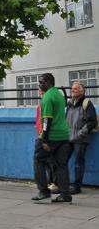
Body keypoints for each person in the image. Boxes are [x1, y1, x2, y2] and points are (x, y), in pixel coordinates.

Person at [32, 72, 72, 203]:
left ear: (48, 82)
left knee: (38, 160)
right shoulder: (59, 95)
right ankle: (65, 194)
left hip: (51, 136)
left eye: (41, 82)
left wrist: (44, 139)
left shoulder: (48, 97)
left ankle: (43, 191)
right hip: (64, 135)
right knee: (62, 165)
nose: (39, 85)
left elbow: (46, 120)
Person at [66, 81, 98, 195]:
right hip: (68, 138)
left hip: (80, 138)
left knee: (79, 163)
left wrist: (81, 133)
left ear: (81, 91)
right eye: (72, 88)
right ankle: (63, 184)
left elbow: (92, 122)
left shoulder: (87, 103)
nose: (72, 90)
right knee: (62, 160)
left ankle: (77, 186)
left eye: (75, 89)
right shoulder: (70, 103)